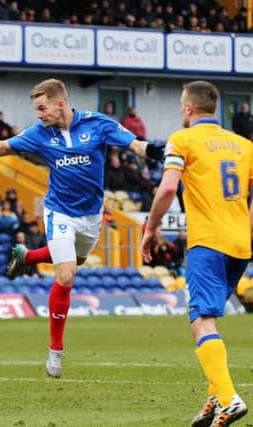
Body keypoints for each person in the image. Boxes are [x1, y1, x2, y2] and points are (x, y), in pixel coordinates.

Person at [0, 78, 164, 378]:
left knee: (75, 260)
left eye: (42, 108)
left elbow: (134, 143)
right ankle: (55, 350)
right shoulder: (40, 133)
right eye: (37, 109)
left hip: (91, 215)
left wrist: (153, 152)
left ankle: (27, 257)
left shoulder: (97, 124)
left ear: (60, 103)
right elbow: (4, 148)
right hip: (59, 211)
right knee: (66, 274)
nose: (39, 114)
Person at [141, 81, 251, 427]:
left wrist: (150, 228)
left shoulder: (183, 139)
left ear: (189, 108)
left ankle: (229, 399)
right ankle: (214, 399)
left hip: (207, 242)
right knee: (211, 320)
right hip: (240, 243)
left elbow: (169, 187)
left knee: (200, 322)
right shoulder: (244, 145)